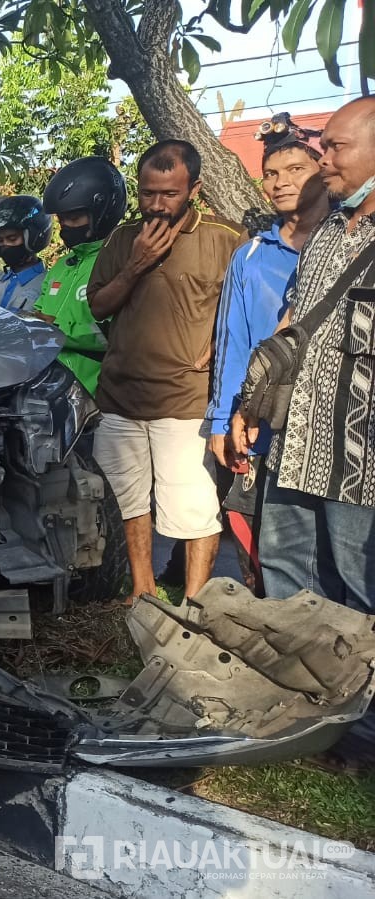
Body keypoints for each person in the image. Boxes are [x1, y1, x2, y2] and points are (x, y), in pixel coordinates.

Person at [87, 139, 247, 602]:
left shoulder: (226, 238)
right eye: (147, 193)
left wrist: (222, 338)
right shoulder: (122, 240)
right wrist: (135, 264)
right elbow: (99, 306)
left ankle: (195, 604)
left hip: (186, 401)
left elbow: (253, 310)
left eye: (169, 194)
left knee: (194, 509)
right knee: (127, 502)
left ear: (194, 189)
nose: (156, 205)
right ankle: (143, 590)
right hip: (119, 399)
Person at [237, 96, 375, 613]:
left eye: (337, 148)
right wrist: (248, 406)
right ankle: (306, 690)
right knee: (287, 578)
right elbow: (292, 323)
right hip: (295, 448)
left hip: (362, 463)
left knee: (362, 589)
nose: (326, 161)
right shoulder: (327, 233)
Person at [206, 115, 331, 592]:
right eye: (272, 174)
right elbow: (233, 341)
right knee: (265, 542)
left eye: (296, 170)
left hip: (333, 417)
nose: (281, 184)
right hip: (261, 418)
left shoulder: (351, 243)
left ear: (323, 172)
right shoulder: (253, 254)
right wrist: (222, 420)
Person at [34, 157, 129, 395]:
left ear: (103, 211)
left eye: (74, 218)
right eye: (61, 219)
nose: (65, 227)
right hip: (48, 394)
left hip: (97, 399)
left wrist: (56, 332)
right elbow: (38, 316)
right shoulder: (61, 266)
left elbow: (118, 336)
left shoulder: (121, 263)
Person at [0, 196, 52, 313]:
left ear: (32, 238)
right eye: (0, 240)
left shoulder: (47, 283)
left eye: (12, 238)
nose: (5, 245)